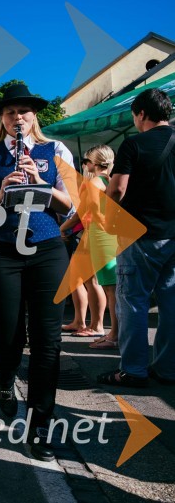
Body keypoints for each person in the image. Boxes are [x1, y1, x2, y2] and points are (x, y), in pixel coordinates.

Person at [0, 83, 74, 461]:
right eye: (11, 112)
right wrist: (1, 191)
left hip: (46, 249)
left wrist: (42, 182)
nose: (18, 117)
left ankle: (40, 428)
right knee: (9, 334)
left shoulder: (54, 151)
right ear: (2, 118)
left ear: (34, 116)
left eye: (25, 111)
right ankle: (7, 378)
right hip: (0, 250)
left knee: (48, 342)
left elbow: (71, 207)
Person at [98, 88, 175, 387]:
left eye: (134, 116)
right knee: (170, 303)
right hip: (173, 235)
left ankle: (132, 370)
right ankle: (167, 369)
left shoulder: (133, 144)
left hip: (139, 235)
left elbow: (117, 189)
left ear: (141, 114)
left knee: (132, 302)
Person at [61, 148, 117, 342]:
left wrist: (63, 228)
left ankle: (100, 328)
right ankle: (85, 323)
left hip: (98, 236)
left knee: (103, 284)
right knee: (82, 277)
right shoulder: (109, 180)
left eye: (85, 160)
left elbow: (86, 213)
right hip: (98, 235)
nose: (84, 164)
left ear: (94, 162)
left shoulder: (94, 181)